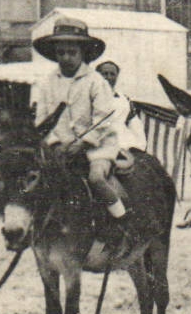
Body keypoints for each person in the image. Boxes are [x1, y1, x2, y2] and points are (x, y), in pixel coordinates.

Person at [33, 17, 142, 235]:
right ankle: (35, 229)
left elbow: (103, 117)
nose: (66, 57)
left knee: (96, 179)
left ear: (83, 53)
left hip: (97, 148)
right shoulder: (47, 83)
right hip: (59, 149)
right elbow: (42, 120)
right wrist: (54, 143)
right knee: (37, 179)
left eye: (72, 52)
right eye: (61, 52)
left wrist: (83, 143)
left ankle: (122, 223)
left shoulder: (96, 82)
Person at [94, 60, 148, 155]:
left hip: (123, 140)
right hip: (99, 139)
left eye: (112, 74)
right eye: (105, 74)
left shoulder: (124, 99)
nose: (109, 77)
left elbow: (134, 123)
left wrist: (140, 145)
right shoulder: (90, 97)